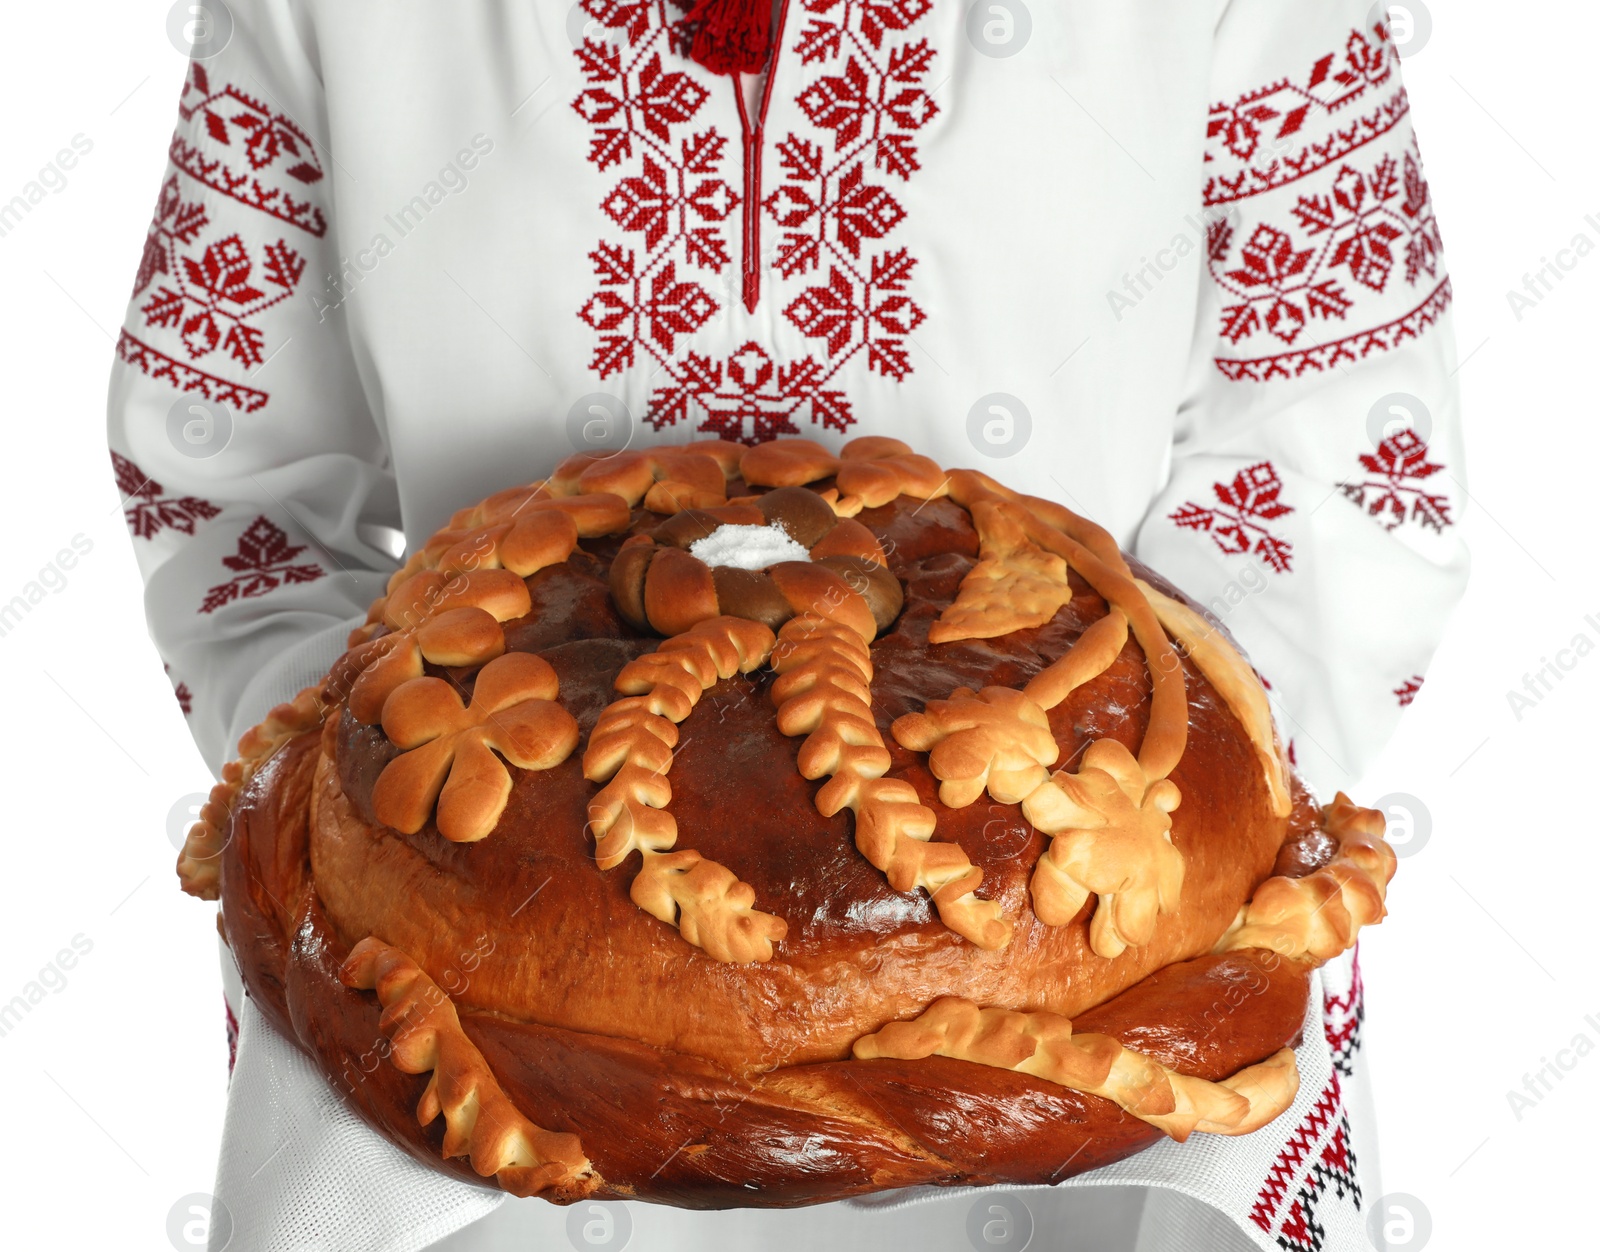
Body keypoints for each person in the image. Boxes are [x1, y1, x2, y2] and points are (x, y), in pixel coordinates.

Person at [109, 1, 1465, 1248]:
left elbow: (1350, 478)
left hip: (1107, 1076)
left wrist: (1145, 850)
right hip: (460, 1102)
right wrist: (375, 826)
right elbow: (225, 464)